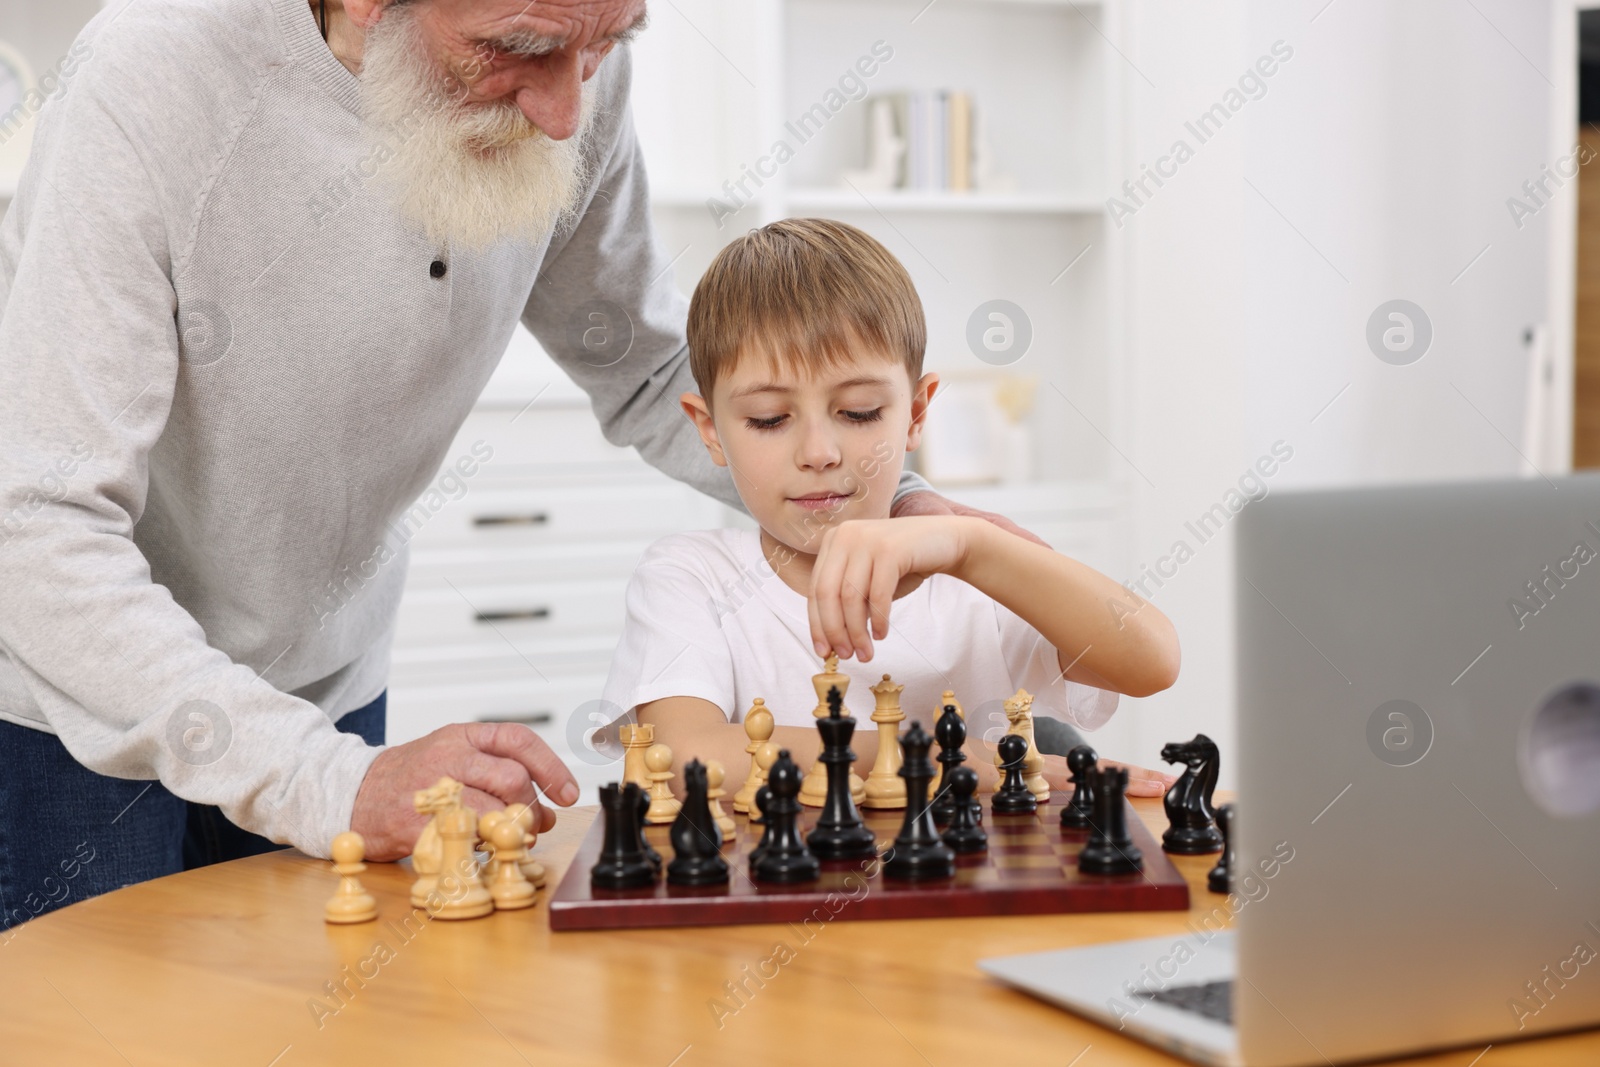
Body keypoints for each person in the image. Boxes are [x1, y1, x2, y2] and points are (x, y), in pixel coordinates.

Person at [0, 0, 1023, 926]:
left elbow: (650, 367)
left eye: (605, 48)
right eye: (518, 51)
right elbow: (41, 520)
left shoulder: (571, 64)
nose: (567, 112)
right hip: (81, 706)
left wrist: (906, 511)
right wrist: (323, 779)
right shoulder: (146, 79)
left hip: (326, 679)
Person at [601, 219, 1182, 795]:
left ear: (917, 413)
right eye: (769, 419)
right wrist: (944, 758)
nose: (819, 453)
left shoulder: (976, 575)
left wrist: (970, 546)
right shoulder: (691, 576)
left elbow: (1152, 660)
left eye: (857, 412)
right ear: (709, 430)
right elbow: (681, 754)